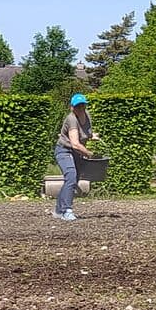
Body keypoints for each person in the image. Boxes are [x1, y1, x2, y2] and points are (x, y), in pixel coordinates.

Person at [54, 92, 92, 221]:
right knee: (70, 175)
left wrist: (93, 136)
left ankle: (59, 210)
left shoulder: (87, 116)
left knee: (73, 180)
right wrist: (88, 153)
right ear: (72, 107)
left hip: (77, 153)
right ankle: (67, 210)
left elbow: (86, 133)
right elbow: (75, 144)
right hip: (65, 150)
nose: (81, 108)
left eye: (83, 105)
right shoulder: (71, 119)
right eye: (78, 106)